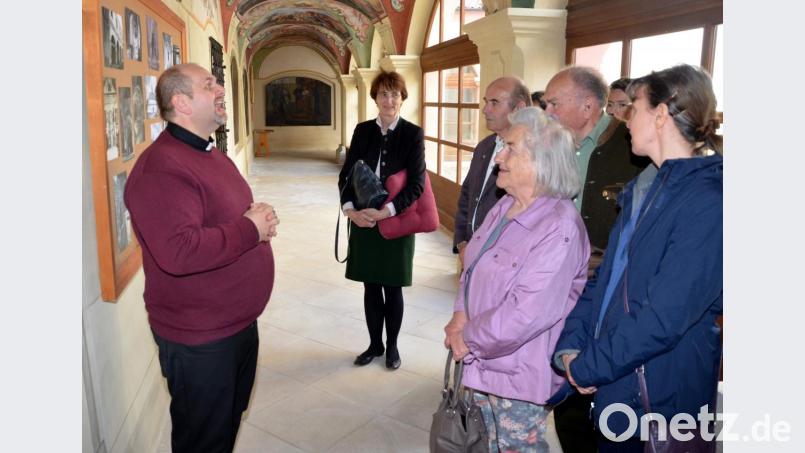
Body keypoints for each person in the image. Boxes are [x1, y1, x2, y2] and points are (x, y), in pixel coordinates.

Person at [553, 64, 723, 452]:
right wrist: (572, 343)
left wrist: (590, 365)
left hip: (659, 393)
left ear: (661, 115)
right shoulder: (645, 189)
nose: (626, 119)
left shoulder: (709, 202)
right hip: (618, 376)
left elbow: (665, 316)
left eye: (635, 108)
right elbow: (605, 281)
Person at [124, 63, 280, 453]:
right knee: (203, 441)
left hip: (234, 326)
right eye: (209, 84)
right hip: (201, 340)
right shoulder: (161, 167)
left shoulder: (207, 152)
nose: (221, 89)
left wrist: (255, 220)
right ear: (182, 102)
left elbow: (221, 218)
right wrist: (249, 229)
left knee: (223, 429)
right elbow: (179, 250)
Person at [444, 107, 590, 452]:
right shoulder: (506, 204)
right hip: (482, 360)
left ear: (541, 161)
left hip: (518, 374)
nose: (499, 157)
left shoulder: (559, 227)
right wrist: (460, 315)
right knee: (483, 443)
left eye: (510, 148)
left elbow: (527, 313)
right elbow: (474, 266)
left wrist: (469, 338)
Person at [543, 65, 650, 453]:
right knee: (566, 393)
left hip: (608, 296)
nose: (548, 111)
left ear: (588, 105)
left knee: (607, 405)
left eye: (554, 103)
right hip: (558, 289)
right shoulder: (554, 146)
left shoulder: (633, 150)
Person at [337, 71, 425, 370]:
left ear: (402, 98)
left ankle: (393, 347)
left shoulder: (412, 134)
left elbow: (417, 185)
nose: (389, 100)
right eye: (384, 94)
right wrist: (351, 210)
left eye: (395, 94)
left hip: (395, 221)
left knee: (393, 287)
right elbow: (347, 174)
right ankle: (375, 344)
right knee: (371, 287)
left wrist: (387, 211)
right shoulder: (362, 131)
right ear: (375, 98)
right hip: (363, 219)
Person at [453, 76, 531, 265]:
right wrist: (463, 243)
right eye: (486, 102)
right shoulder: (483, 147)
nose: (485, 110)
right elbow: (467, 196)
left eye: (494, 103)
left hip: (503, 261)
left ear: (519, 108)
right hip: (471, 252)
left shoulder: (530, 156)